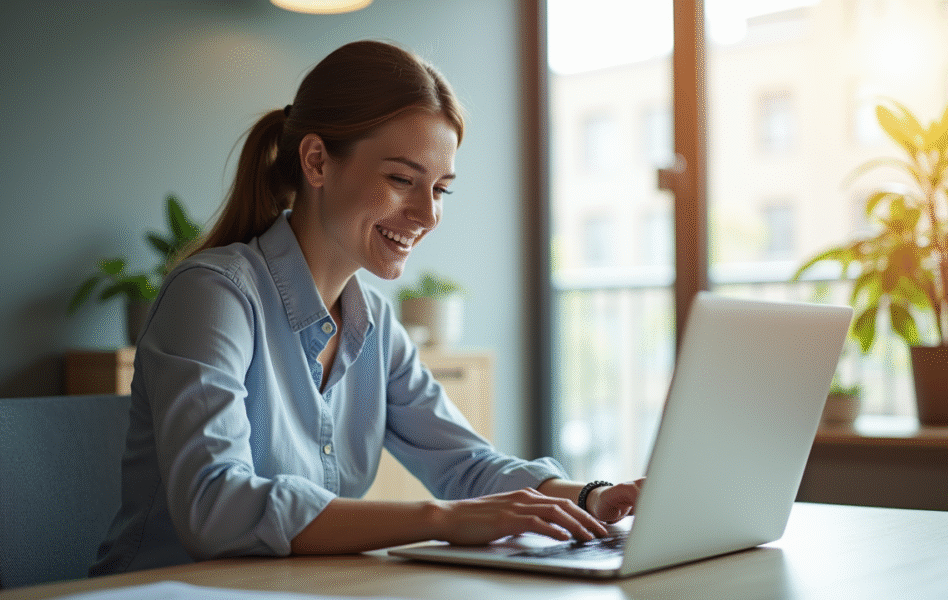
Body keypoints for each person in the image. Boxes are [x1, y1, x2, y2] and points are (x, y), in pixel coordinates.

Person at [91, 39, 642, 575]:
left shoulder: (373, 324)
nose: (426, 215)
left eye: (441, 189)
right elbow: (217, 508)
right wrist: (442, 520)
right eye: (402, 179)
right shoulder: (213, 295)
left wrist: (593, 499)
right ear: (316, 162)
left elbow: (467, 465)